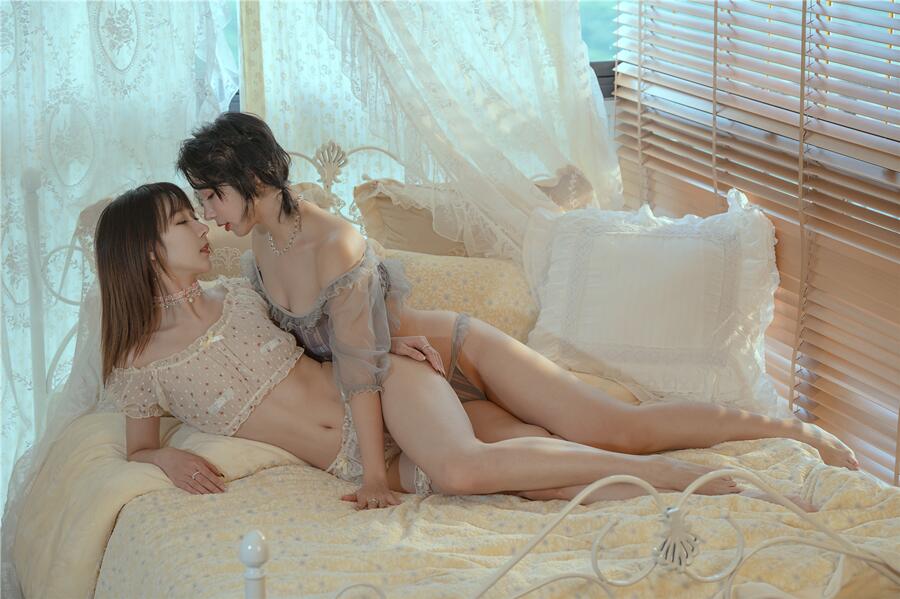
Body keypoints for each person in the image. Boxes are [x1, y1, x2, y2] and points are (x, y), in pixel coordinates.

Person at [174, 114, 858, 493]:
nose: (208, 213)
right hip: (412, 374)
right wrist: (385, 341)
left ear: (254, 177)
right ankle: (690, 484)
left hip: (457, 349)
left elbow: (355, 368)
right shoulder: (259, 246)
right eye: (201, 200)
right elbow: (328, 348)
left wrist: (377, 477)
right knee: (533, 464)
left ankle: (790, 431)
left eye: (212, 195)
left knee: (616, 426)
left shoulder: (335, 242)